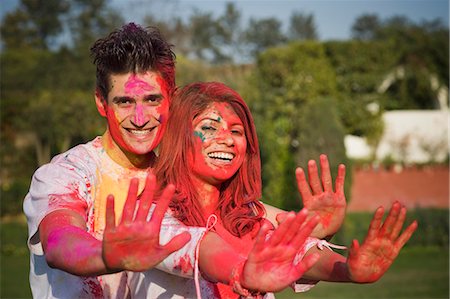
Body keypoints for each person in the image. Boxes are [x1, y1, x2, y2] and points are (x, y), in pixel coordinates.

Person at [22, 22, 332, 299]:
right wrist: (106, 256)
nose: (140, 119)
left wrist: (322, 228)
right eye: (125, 102)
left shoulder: (179, 173)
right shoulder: (70, 173)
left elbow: (256, 217)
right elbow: (60, 241)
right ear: (102, 103)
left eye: (152, 100)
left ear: (171, 99)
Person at [128, 82, 418, 298]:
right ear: (179, 138)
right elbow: (197, 246)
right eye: (210, 127)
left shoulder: (250, 214)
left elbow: (298, 252)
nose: (228, 140)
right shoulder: (152, 215)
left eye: (237, 131)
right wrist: (242, 271)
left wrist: (348, 271)